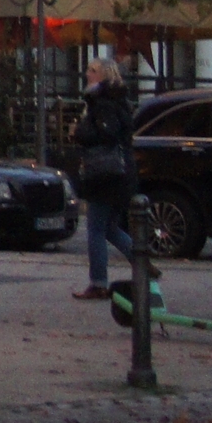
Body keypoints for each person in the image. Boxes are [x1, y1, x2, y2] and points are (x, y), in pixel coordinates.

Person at [72, 56, 160, 301]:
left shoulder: (104, 103)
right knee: (109, 227)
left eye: (91, 70)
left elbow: (106, 133)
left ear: (103, 76)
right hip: (120, 173)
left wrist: (79, 132)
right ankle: (141, 262)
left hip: (106, 175)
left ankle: (98, 282)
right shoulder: (116, 101)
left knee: (96, 229)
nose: (86, 74)